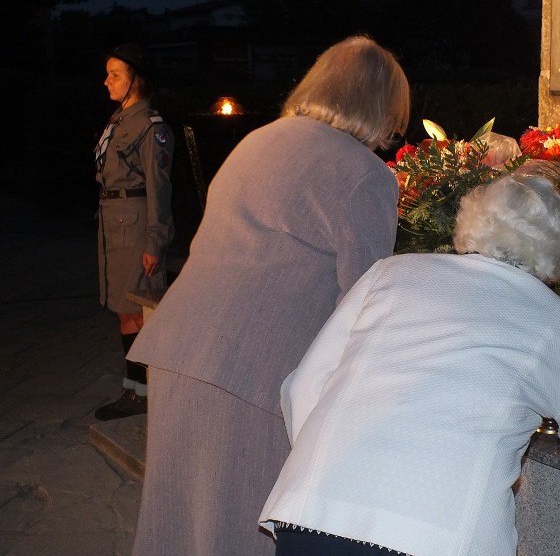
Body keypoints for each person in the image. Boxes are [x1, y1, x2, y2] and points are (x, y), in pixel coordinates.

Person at [127, 35, 411, 555]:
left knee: (178, 519)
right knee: (240, 524)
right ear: (380, 106)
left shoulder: (259, 139)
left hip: (178, 347)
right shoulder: (363, 174)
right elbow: (366, 301)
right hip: (255, 372)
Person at [258, 170, 560, 556]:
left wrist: (328, 473)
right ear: (558, 252)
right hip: (435, 535)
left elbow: (301, 387)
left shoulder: (390, 272)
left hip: (311, 516)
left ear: (472, 223)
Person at [93, 42, 174, 421]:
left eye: (115, 75)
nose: (106, 81)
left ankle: (145, 392)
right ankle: (136, 389)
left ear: (135, 81)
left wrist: (155, 240)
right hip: (113, 221)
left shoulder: (150, 126)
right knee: (125, 311)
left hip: (136, 225)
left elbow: (160, 188)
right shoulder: (119, 120)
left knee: (138, 312)